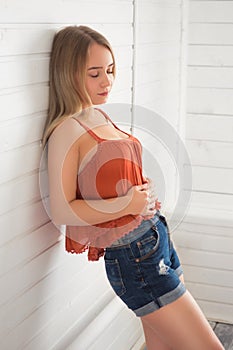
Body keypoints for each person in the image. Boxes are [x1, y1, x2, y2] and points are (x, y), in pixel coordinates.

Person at [42, 25, 224, 350]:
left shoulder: (97, 115)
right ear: (67, 74)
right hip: (135, 258)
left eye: (110, 70)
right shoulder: (67, 130)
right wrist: (126, 204)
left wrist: (140, 191)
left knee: (162, 346)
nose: (107, 81)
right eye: (94, 73)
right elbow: (61, 207)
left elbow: (110, 178)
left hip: (157, 239)